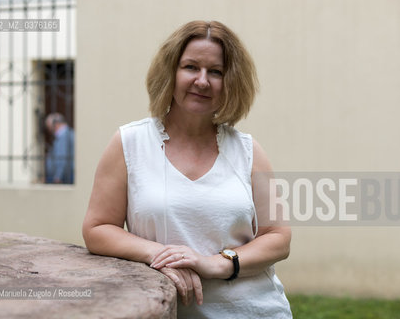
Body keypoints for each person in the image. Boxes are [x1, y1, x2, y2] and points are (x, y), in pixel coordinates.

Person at [82, 20, 292, 318]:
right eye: (191, 67)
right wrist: (159, 254)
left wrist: (217, 263)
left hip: (256, 310)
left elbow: (278, 237)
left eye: (216, 71)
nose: (202, 81)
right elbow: (97, 229)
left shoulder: (248, 151)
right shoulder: (130, 143)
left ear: (230, 81)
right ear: (171, 72)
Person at [45, 113, 74, 184]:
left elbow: (62, 157)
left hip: (64, 177)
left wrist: (58, 176)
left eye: (49, 127)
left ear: (56, 124)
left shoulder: (63, 135)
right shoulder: (69, 133)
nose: (49, 130)